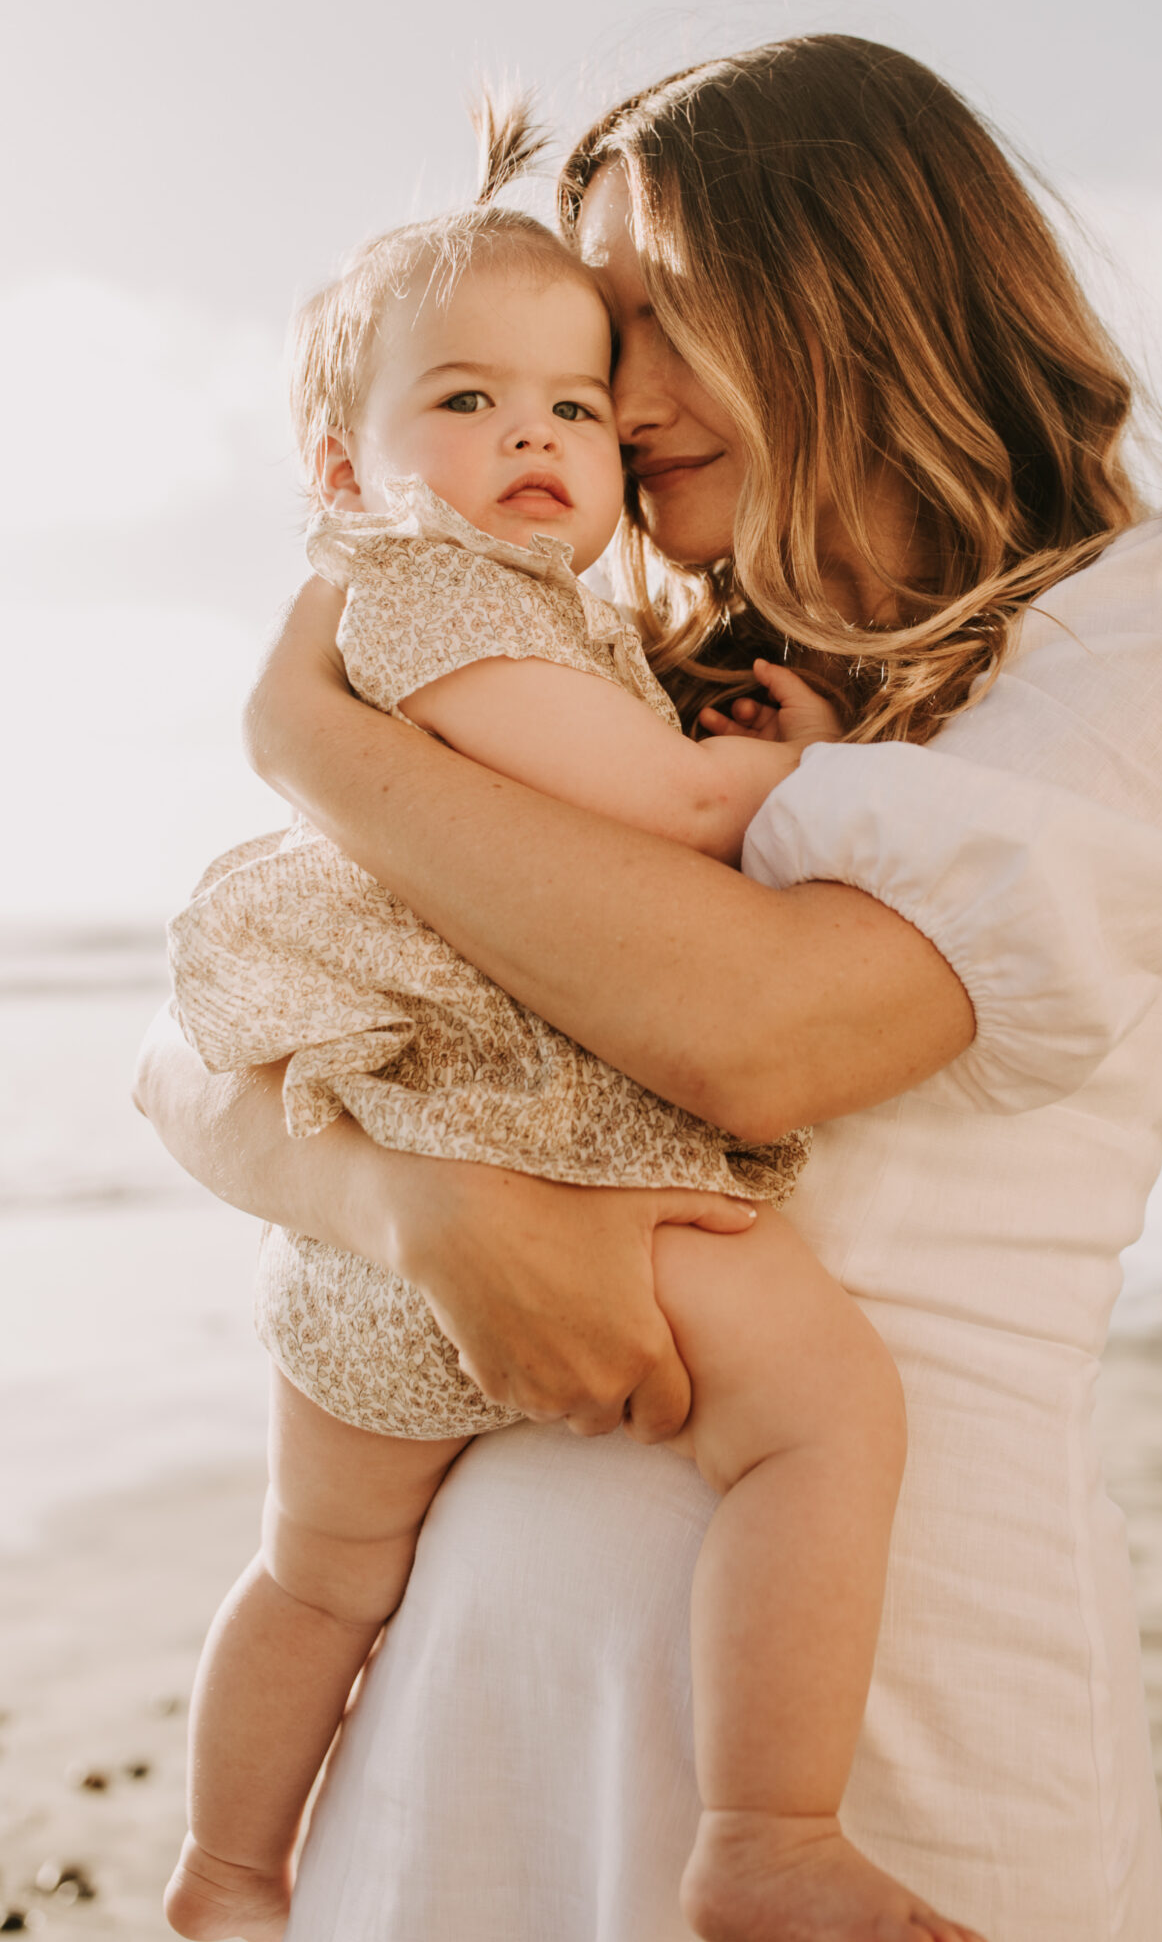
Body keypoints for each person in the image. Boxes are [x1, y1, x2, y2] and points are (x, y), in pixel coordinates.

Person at [136, 34, 1162, 1942]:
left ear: (852, 279)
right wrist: (417, 1205)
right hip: (465, 1705)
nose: (612, 399)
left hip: (892, 1711)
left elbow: (768, 1037)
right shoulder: (626, 673)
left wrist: (320, 747)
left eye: (657, 322)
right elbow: (192, 1060)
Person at [160, 105, 968, 1942]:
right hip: (532, 1158)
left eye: (576, 406)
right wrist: (812, 766)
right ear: (339, 457)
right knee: (821, 1420)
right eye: (464, 401)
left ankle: (224, 1876)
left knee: (317, 1581)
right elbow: (675, 822)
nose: (534, 434)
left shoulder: (537, 622)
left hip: (407, 1215)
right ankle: (767, 1836)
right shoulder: (434, 601)